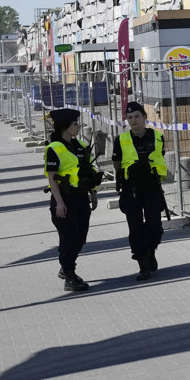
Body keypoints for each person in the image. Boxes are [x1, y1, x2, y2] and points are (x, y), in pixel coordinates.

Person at [44, 108, 101, 292]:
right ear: (65, 127)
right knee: (70, 238)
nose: (78, 126)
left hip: (81, 198)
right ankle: (69, 275)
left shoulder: (79, 146)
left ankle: (66, 265)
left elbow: (87, 171)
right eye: (75, 124)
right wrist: (59, 202)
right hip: (64, 199)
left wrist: (92, 192)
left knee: (81, 237)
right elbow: (52, 178)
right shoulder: (53, 149)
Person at [112, 101, 168, 281]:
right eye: (129, 118)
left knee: (155, 227)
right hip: (132, 188)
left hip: (152, 187)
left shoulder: (158, 137)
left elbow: (161, 157)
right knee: (135, 228)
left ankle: (151, 250)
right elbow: (117, 163)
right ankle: (143, 264)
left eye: (137, 116)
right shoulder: (120, 140)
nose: (133, 120)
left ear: (144, 117)